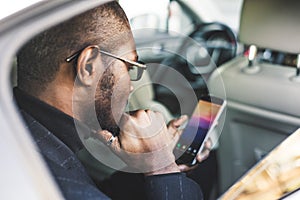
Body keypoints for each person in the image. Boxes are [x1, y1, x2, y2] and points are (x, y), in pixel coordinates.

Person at [14, 1, 209, 199]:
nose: (131, 86)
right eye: (129, 66)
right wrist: (163, 168)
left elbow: (98, 191)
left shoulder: (19, 133)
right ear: (89, 66)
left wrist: (152, 164)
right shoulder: (66, 190)